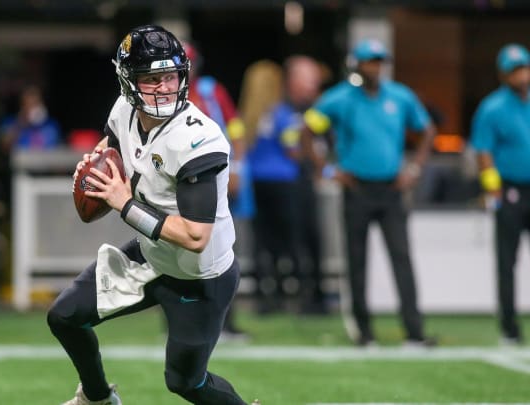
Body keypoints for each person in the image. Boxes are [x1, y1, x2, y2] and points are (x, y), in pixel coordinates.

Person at [47, 25, 259, 405]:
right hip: (151, 254)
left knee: (185, 383)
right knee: (64, 316)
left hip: (198, 276)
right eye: (150, 78)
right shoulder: (124, 110)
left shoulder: (197, 139)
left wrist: (125, 205)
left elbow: (196, 236)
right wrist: (95, 168)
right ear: (129, 82)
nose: (163, 87)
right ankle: (96, 399)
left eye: (170, 76)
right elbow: (111, 147)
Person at [299, 39, 437, 347]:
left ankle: (414, 331)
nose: (374, 67)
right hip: (357, 189)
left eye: (378, 61)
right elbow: (308, 129)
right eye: (369, 61)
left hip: (391, 189)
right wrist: (328, 169)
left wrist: (414, 169)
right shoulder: (340, 99)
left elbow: (426, 130)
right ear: (357, 65)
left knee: (402, 258)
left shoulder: (400, 97)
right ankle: (364, 332)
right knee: (357, 261)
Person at [247, 56, 327, 315]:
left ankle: (267, 298)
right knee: (296, 242)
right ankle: (305, 298)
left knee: (263, 243)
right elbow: (293, 149)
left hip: (258, 183)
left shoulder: (254, 115)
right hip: (286, 182)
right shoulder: (283, 114)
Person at [183, 40, 251, 341]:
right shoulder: (164, 96)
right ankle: (182, 322)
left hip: (215, 179)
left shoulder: (210, 91)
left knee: (223, 249)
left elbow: (234, 126)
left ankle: (226, 322)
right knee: (180, 252)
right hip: (181, 182)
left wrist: (237, 167)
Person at [470, 43, 530, 346]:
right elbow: (483, 151)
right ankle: (509, 326)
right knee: (507, 262)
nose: (521, 75)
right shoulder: (492, 108)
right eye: (514, 70)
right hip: (509, 190)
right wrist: (492, 188)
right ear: (503, 75)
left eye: (524, 68)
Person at [0, 85, 61, 151]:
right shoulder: (10, 122)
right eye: (28, 105)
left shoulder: (51, 124)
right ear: (22, 106)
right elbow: (4, 146)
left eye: (36, 104)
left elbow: (58, 146)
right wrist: (20, 123)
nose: (32, 108)